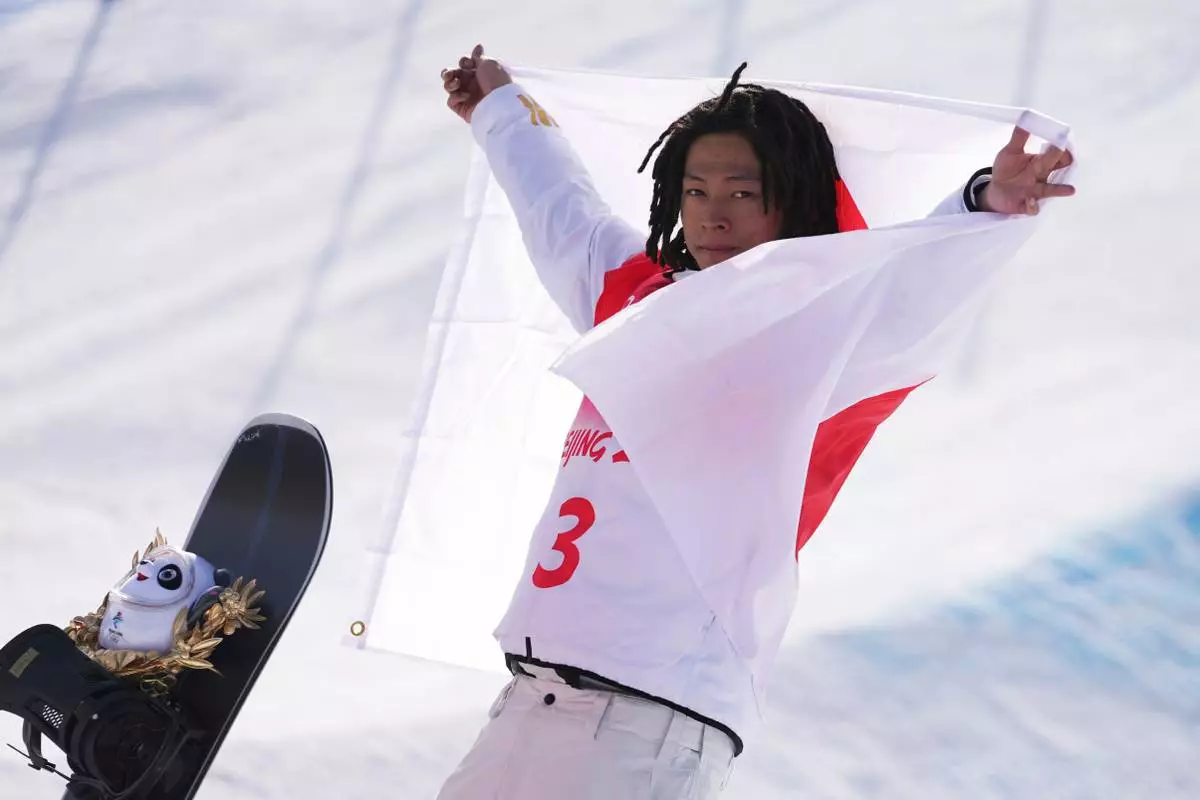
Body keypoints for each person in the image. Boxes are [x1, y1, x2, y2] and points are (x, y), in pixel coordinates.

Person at [434, 44, 1075, 800]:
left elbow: (909, 288)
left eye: (743, 191)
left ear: (792, 197)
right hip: (527, 702)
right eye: (697, 188)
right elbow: (560, 211)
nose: (713, 210)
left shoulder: (816, 335)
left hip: (646, 719)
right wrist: (502, 111)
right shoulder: (635, 302)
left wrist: (984, 203)